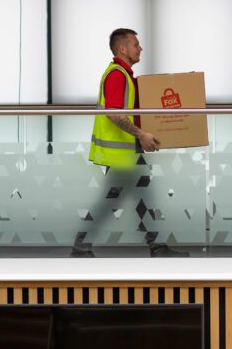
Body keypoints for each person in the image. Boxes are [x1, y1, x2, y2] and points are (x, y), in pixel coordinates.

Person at [72, 28, 187, 257]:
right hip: (122, 154)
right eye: (136, 45)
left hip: (128, 151)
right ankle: (81, 246)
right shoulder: (117, 75)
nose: (140, 48)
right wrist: (141, 135)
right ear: (123, 49)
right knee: (117, 200)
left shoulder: (124, 75)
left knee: (141, 198)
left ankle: (155, 246)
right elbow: (114, 115)